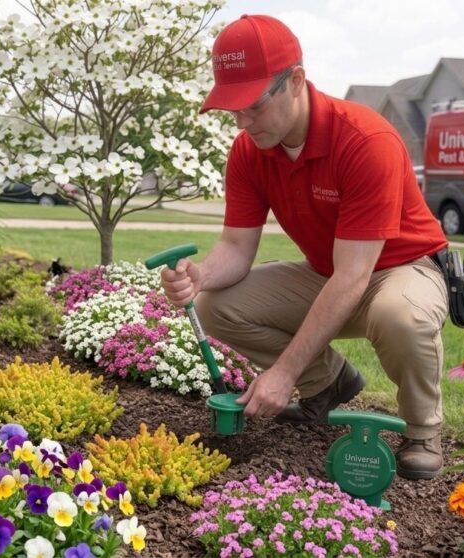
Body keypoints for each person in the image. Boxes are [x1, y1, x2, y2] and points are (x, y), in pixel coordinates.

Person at [159, 14, 449, 480]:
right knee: (217, 306)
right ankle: (329, 384)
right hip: (329, 271)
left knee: (400, 315)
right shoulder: (250, 150)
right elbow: (236, 246)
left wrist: (283, 373)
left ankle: (422, 429)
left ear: (295, 81)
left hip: (403, 269)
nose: (241, 121)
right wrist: (201, 276)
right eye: (232, 108)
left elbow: (355, 275)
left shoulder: (365, 141)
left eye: (252, 105)